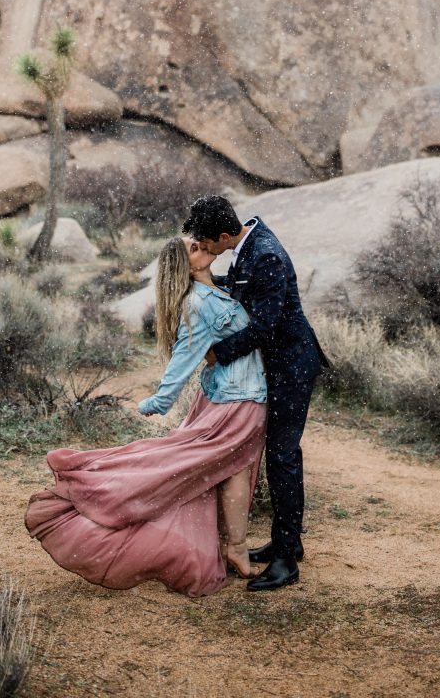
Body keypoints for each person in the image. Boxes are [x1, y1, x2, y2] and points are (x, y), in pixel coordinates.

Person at [24, 236, 267, 597]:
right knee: (217, 470)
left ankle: (232, 546)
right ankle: (232, 546)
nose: (201, 246)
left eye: (200, 242)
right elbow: (184, 358)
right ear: (188, 266)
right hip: (235, 400)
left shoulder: (222, 286)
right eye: (194, 248)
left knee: (230, 471)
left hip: (235, 395)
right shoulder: (197, 303)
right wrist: (157, 401)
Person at [183, 195, 329, 592]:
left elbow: (264, 326)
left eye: (208, 244)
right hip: (278, 367)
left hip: (291, 367)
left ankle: (286, 560)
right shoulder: (248, 244)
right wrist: (207, 279)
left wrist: (217, 354)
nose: (207, 250)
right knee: (277, 456)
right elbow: (244, 291)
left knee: (282, 458)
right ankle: (288, 543)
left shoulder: (265, 254)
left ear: (226, 234)